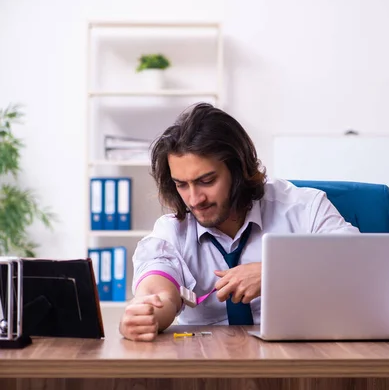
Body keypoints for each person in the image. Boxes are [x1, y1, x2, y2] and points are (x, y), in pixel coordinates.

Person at [118, 103, 359, 342]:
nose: (195, 199)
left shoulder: (304, 208)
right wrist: (145, 314)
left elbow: (357, 262)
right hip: (206, 364)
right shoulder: (172, 231)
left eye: (207, 180)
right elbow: (159, 289)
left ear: (239, 169)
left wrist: (275, 271)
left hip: (297, 358)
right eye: (181, 184)